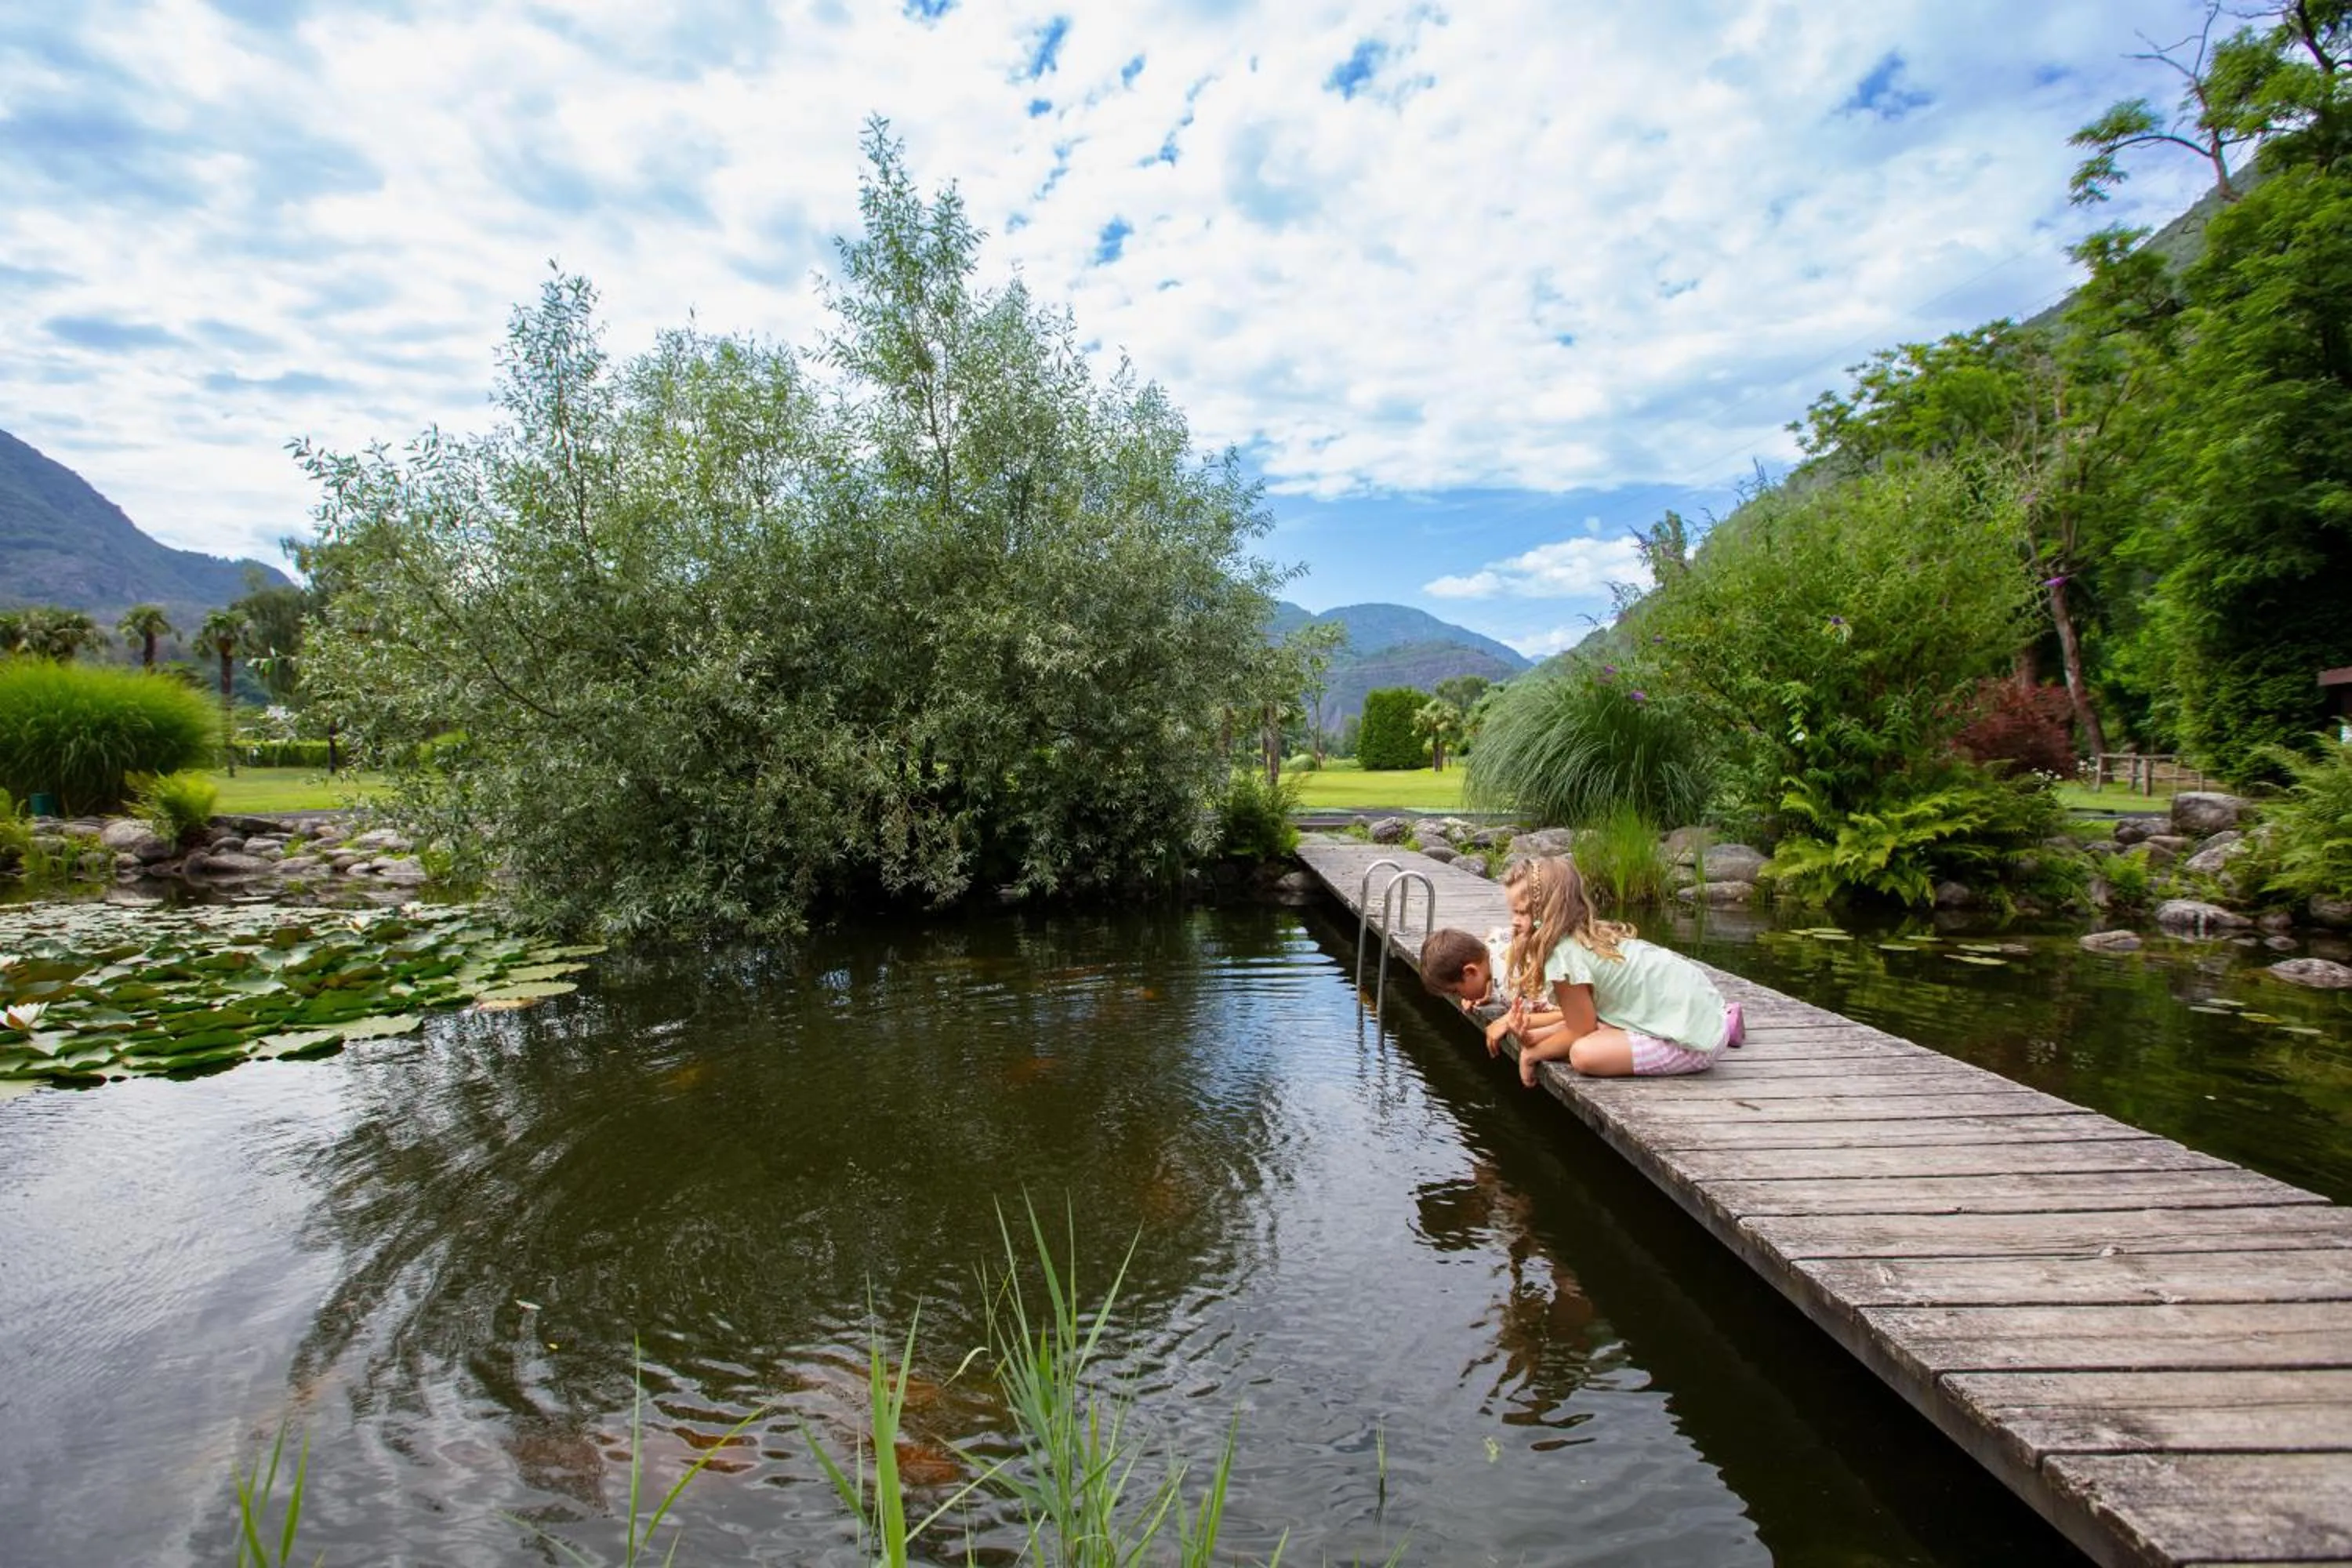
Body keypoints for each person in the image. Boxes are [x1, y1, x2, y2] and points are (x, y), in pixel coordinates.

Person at [1501, 855, 1744, 1085]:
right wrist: (1533, 1037)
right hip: (1700, 1009)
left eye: (1522, 912)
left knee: (1583, 1054)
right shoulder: (1585, 935)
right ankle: (1723, 1023)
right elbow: (1584, 1021)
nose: (1514, 921)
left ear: (1548, 912)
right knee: (1591, 1033)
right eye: (1513, 911)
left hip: (1695, 1043)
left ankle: (1716, 1030)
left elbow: (1580, 1030)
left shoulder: (1563, 957)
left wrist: (1533, 1053)